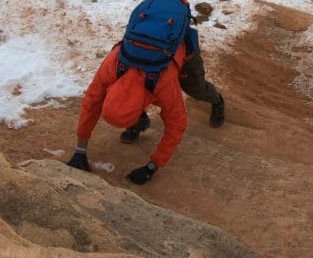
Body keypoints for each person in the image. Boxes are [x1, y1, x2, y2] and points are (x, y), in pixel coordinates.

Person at [67, 10, 225, 185]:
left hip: (182, 49)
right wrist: (80, 150)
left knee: (197, 90)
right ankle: (140, 122)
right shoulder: (111, 69)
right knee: (131, 98)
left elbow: (177, 125)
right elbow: (91, 104)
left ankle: (217, 101)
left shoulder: (164, 87)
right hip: (149, 57)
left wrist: (153, 166)